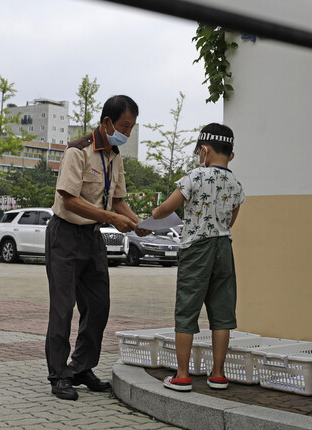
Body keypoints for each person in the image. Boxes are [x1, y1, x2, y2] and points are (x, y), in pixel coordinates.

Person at [45, 94, 150, 401]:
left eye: (131, 127)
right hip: (64, 235)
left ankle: (81, 367)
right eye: (124, 126)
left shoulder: (114, 156)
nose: (127, 133)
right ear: (107, 122)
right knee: (63, 309)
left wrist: (137, 220)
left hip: (92, 238)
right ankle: (59, 374)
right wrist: (111, 218)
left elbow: (118, 200)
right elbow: (68, 198)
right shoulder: (78, 151)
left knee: (98, 305)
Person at [150, 123, 245, 392]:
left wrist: (151, 217)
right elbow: (231, 220)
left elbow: (168, 208)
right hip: (223, 248)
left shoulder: (195, 176)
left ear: (203, 150)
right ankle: (218, 374)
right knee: (223, 311)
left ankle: (182, 375)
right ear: (231, 155)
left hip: (196, 248)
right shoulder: (236, 183)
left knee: (187, 309)